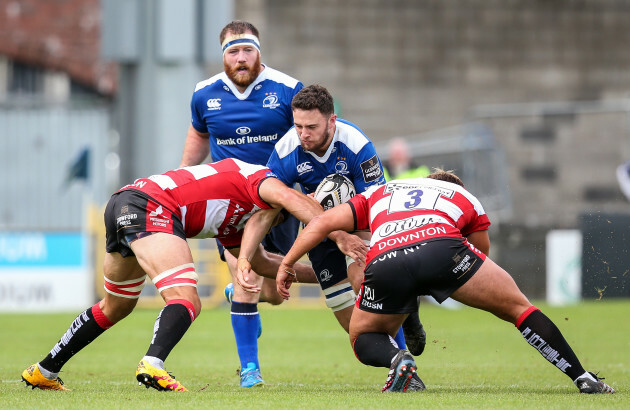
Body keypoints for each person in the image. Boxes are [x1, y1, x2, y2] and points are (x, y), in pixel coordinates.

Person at [21, 158, 361, 392]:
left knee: (115, 306)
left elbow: (262, 263)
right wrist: (339, 235)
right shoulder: (265, 180)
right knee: (186, 299)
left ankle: (44, 371)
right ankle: (153, 364)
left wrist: (330, 277)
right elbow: (289, 198)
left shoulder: (238, 220)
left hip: (124, 204)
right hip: (150, 206)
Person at [276, 169, 616, 394]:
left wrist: (287, 264)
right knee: (519, 309)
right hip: (444, 250)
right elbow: (480, 252)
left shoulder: (381, 192)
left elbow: (319, 224)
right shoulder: (464, 197)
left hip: (384, 259)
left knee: (363, 335)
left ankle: (398, 360)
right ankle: (582, 378)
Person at [260, 84, 425, 385]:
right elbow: (273, 198)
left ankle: (405, 366)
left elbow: (378, 205)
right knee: (357, 331)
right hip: (319, 235)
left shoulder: (356, 144)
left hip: (360, 223)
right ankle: (400, 340)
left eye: (311, 126)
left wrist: (356, 239)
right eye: (298, 126)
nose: (303, 134)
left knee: (365, 282)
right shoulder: (286, 150)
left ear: (331, 121)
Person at [179, 20, 304, 387]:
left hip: (276, 205)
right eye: (233, 51)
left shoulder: (287, 89)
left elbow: (306, 141)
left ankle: (241, 294)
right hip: (230, 206)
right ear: (223, 56)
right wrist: (182, 177)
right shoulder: (204, 93)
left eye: (247, 50)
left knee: (274, 292)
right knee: (248, 279)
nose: (241, 58)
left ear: (259, 51)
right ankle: (250, 369)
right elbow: (199, 137)